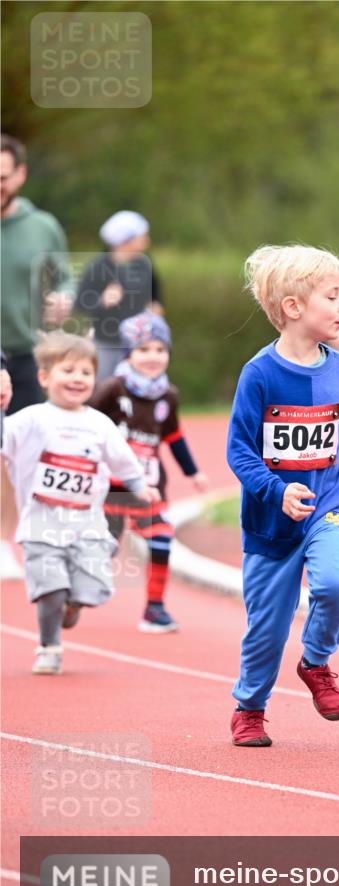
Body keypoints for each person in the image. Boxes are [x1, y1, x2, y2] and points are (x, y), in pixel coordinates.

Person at [227, 244, 339, 748]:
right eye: (333, 296)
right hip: (271, 523)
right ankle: (250, 708)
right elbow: (238, 452)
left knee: (336, 581)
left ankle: (317, 661)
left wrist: (334, 493)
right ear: (294, 308)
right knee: (266, 630)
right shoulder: (259, 374)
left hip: (327, 508)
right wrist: (277, 491)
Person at [0, 333, 156, 675]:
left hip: (86, 524)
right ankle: (49, 645)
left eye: (85, 372)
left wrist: (139, 485)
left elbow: (123, 460)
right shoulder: (31, 419)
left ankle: (75, 604)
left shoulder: (99, 424)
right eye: (67, 370)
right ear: (44, 378)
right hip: (41, 523)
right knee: (51, 591)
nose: (77, 379)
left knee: (91, 591)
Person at [90, 311, 209, 633]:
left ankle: (154, 609)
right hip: (113, 486)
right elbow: (86, 424)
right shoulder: (112, 388)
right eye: (143, 350)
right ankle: (81, 586)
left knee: (161, 541)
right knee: (106, 546)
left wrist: (193, 472)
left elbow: (174, 437)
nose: (153, 357)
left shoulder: (168, 396)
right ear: (129, 354)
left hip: (151, 488)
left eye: (160, 349)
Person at [1, 133, 74, 579]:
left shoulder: (42, 226)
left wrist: (63, 298)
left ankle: (15, 539)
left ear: (21, 175)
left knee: (23, 452)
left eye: (3, 178)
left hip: (26, 353)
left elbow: (64, 277)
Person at [75, 210, 164, 383]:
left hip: (138, 345)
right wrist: (102, 302)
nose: (147, 241)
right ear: (125, 240)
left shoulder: (144, 263)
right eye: (142, 236)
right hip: (106, 344)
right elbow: (81, 304)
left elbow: (156, 293)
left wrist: (156, 307)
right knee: (101, 391)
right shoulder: (98, 267)